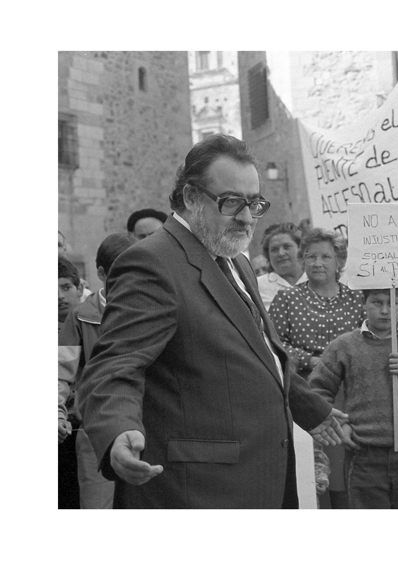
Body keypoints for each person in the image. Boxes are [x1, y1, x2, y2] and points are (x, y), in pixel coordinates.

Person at [78, 134, 349, 509]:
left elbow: (258, 350)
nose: (245, 216)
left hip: (259, 476)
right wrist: (118, 428)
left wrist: (307, 407)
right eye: (231, 201)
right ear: (191, 197)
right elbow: (113, 366)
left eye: (254, 203)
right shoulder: (152, 263)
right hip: (197, 490)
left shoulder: (234, 258)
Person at [309, 288, 398, 508]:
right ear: (364, 303)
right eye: (377, 302)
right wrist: (340, 424)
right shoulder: (344, 345)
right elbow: (316, 391)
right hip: (364, 456)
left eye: (393, 303)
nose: (385, 310)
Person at [269, 227, 365, 509]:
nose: (317, 263)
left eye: (326, 256)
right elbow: (274, 345)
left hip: (351, 391)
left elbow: (367, 339)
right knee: (316, 471)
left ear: (340, 261)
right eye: (310, 256)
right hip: (306, 391)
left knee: (349, 470)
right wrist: (309, 360)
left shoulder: (357, 299)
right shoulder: (287, 299)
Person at [59, 232, 136, 508]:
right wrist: (56, 412)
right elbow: (61, 372)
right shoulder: (79, 316)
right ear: (102, 274)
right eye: (122, 272)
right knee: (98, 507)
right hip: (96, 433)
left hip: (151, 427)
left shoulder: (154, 309)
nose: (132, 279)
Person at [58, 256, 83, 509]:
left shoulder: (91, 320)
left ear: (79, 287)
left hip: (84, 426)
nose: (59, 296)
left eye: (66, 287)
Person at [257, 222, 307, 310]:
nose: (281, 253)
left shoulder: (319, 279)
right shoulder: (257, 286)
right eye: (274, 249)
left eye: (287, 247)